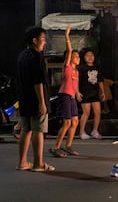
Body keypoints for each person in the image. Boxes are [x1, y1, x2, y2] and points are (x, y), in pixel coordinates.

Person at [16, 26, 55, 172]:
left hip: (24, 99)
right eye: (43, 39)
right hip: (36, 99)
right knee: (38, 130)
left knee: (26, 130)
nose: (44, 43)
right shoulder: (36, 56)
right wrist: (42, 102)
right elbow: (38, 81)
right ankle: (39, 164)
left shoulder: (22, 56)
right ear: (35, 40)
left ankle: (23, 162)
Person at [49, 25, 81, 158]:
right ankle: (55, 147)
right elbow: (69, 51)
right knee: (67, 122)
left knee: (75, 122)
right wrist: (67, 36)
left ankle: (68, 145)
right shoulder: (67, 67)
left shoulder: (76, 71)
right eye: (75, 56)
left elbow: (76, 84)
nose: (77, 58)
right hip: (65, 95)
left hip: (72, 96)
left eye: (78, 56)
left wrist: (78, 93)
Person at [78, 48, 105, 140]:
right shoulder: (81, 68)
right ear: (84, 57)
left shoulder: (97, 67)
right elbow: (77, 81)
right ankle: (81, 132)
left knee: (98, 112)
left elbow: (100, 80)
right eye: (87, 55)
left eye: (92, 55)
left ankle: (95, 131)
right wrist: (77, 92)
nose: (90, 57)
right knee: (86, 113)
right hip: (85, 92)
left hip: (95, 92)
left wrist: (102, 92)